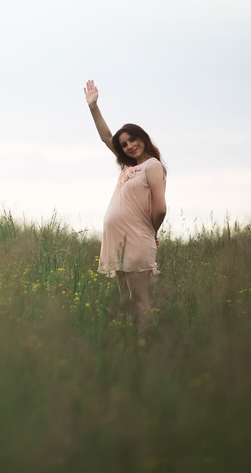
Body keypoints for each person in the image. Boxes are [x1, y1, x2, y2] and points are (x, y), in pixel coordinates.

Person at [83, 79, 167, 326]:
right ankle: (128, 343)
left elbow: (160, 207)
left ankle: (145, 345)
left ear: (143, 138)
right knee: (124, 299)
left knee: (140, 300)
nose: (129, 146)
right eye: (124, 144)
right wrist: (93, 107)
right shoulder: (131, 167)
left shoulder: (152, 166)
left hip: (137, 237)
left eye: (133, 140)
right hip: (118, 240)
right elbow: (106, 137)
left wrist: (152, 232)